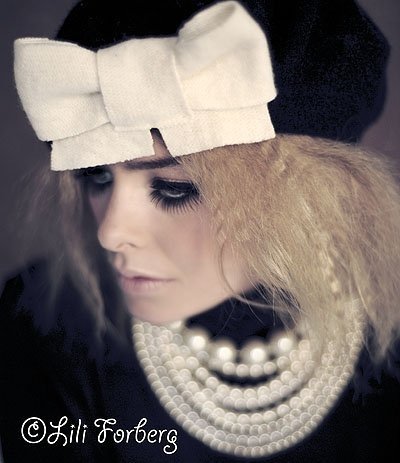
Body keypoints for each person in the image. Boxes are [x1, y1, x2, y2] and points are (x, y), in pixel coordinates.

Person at [1, 0, 400, 462]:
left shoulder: (386, 332)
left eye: (175, 189)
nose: (110, 233)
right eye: (96, 176)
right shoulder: (47, 322)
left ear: (312, 190)